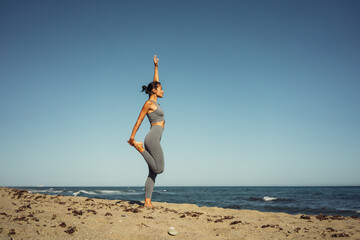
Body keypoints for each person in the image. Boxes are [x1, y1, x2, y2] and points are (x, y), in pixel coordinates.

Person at [127, 55, 165, 208]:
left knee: (152, 172)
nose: (163, 90)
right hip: (152, 137)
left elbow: (155, 82)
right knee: (160, 168)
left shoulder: (155, 100)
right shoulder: (148, 103)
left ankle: (147, 201)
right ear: (155, 91)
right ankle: (139, 148)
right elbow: (139, 120)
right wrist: (132, 138)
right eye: (161, 88)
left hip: (156, 136)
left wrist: (155, 67)